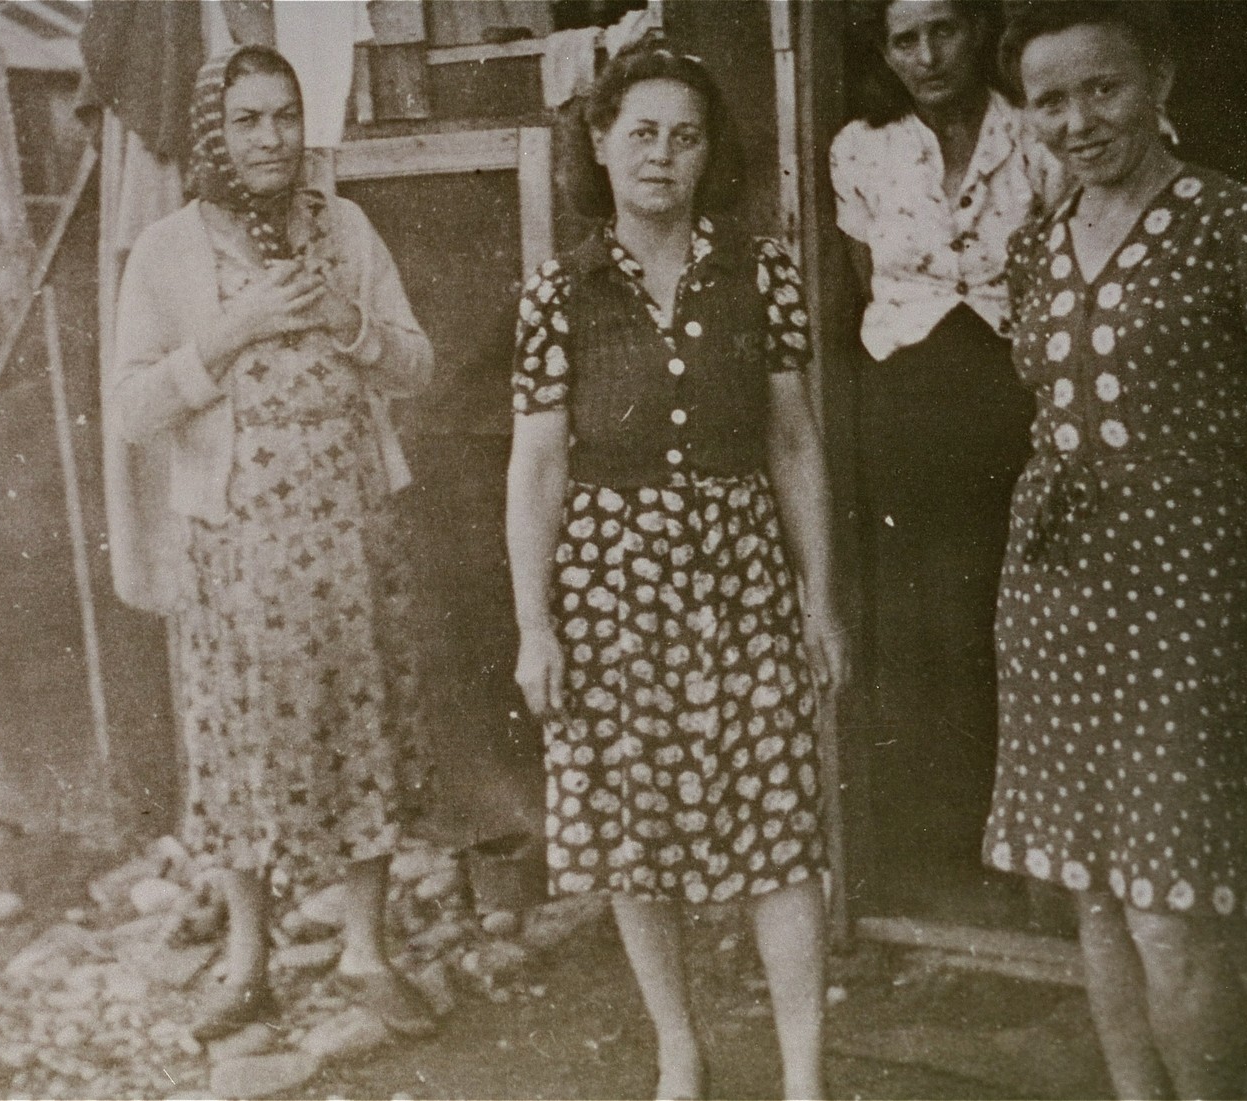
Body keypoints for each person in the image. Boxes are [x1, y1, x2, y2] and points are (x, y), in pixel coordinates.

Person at [505, 39, 847, 1101]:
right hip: (610, 590)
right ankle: (680, 1050)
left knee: (779, 824)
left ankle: (802, 1077)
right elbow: (537, 465)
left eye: (685, 136)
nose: (662, 155)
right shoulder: (560, 292)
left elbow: (792, 442)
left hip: (742, 580)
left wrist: (818, 600)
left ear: (710, 155)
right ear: (601, 145)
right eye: (641, 133)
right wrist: (537, 625)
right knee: (630, 829)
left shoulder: (763, 272)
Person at [107, 45, 439, 1043]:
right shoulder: (166, 252)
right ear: (215, 131)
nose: (271, 139)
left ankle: (365, 952)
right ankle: (249, 962)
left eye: (285, 116)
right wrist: (228, 332)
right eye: (247, 119)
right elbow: (129, 410)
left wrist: (355, 327)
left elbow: (417, 366)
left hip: (352, 534)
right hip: (239, 546)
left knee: (363, 731)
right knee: (242, 748)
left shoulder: (347, 228)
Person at [987, 5, 1247, 1098]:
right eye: (1050, 101)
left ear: (1159, 80)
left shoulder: (1231, 224)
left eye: (1102, 89)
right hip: (1057, 599)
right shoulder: (1035, 246)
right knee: (1091, 891)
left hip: (1193, 597)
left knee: (1169, 901)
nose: (1078, 120)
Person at [830, 0, 1063, 886]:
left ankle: (1032, 843)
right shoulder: (860, 146)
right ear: (882, 50)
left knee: (1018, 614)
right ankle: (945, 841)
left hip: (1016, 395)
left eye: (946, 30)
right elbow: (867, 286)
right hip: (909, 404)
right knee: (927, 619)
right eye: (904, 38)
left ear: (980, 30)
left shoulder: (1036, 133)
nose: (928, 56)